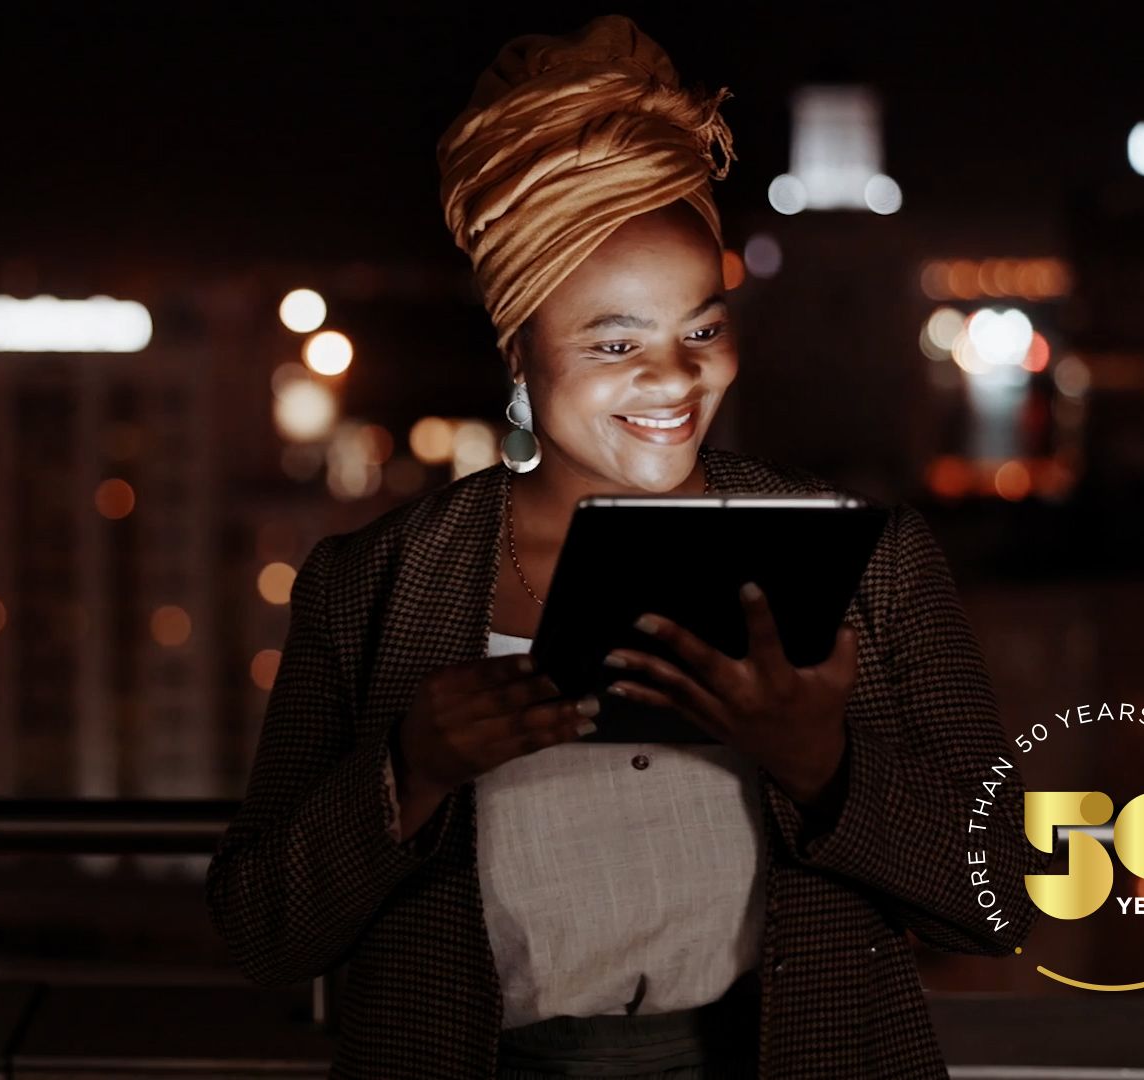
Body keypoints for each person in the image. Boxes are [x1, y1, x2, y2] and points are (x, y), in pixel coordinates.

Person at [206, 15, 1044, 1079]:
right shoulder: (372, 586)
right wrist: (408, 773)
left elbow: (1003, 896)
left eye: (701, 330)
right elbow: (263, 934)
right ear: (520, 352)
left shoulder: (865, 564)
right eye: (614, 343)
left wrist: (819, 763)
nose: (675, 378)